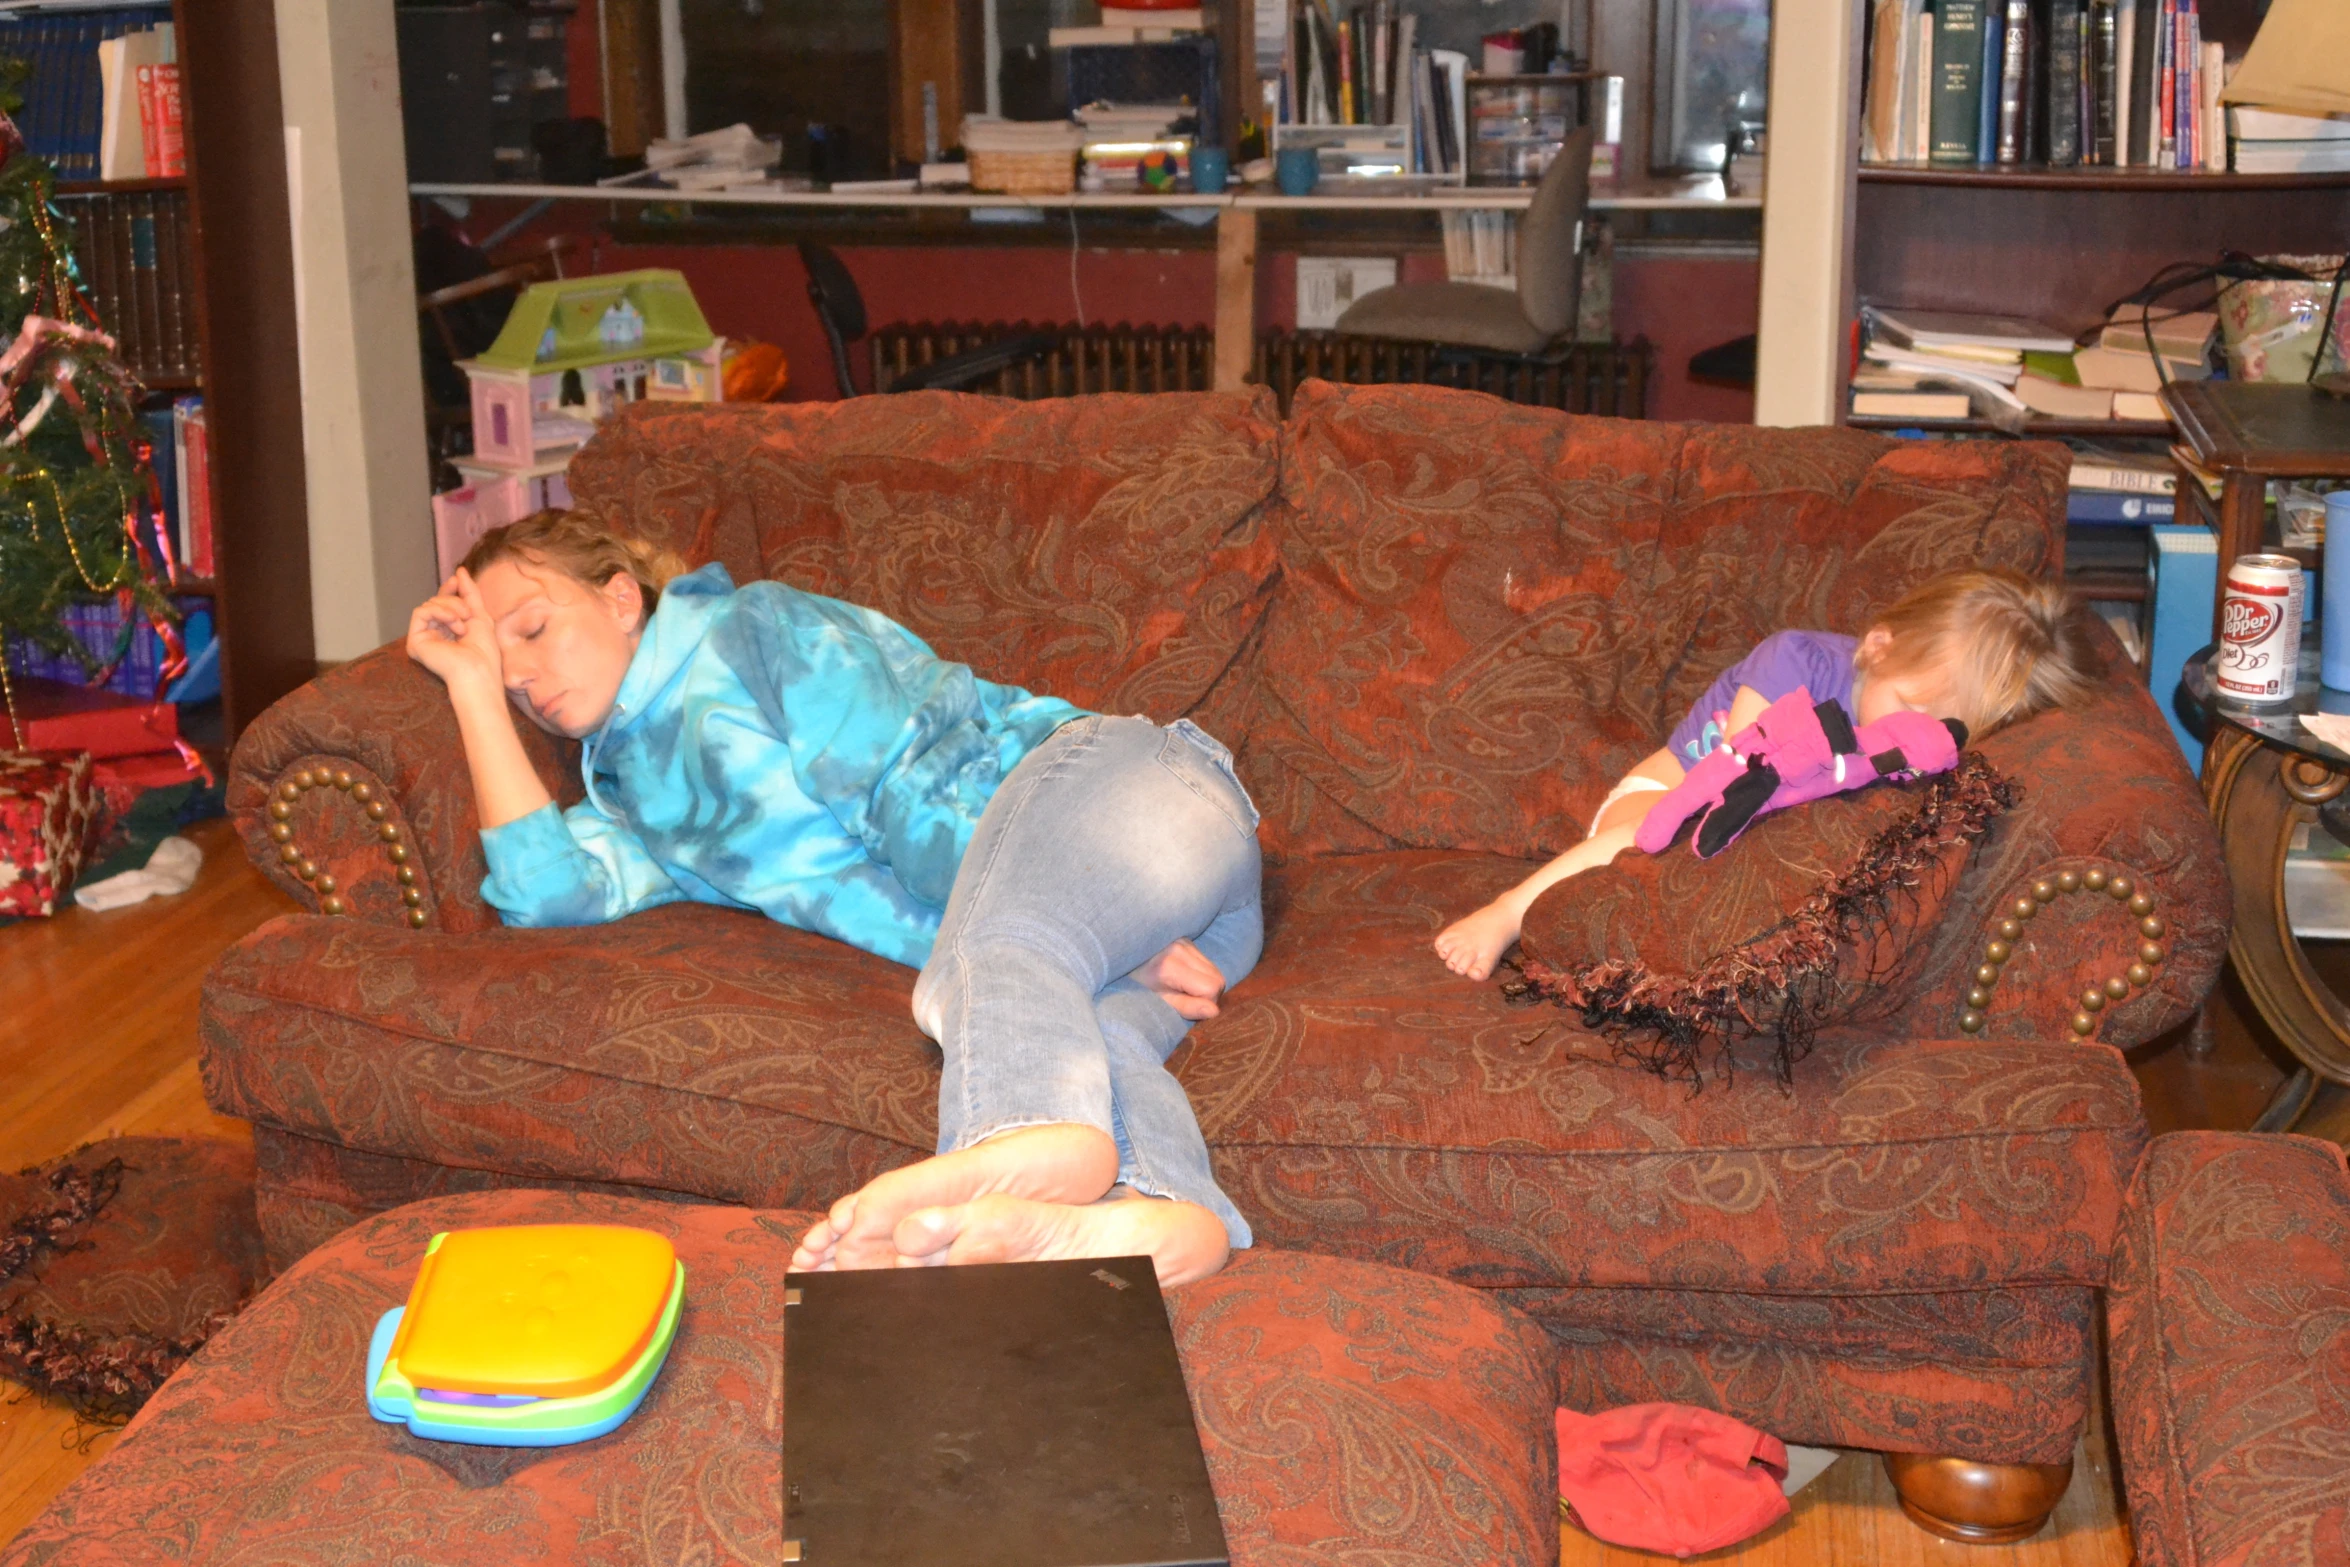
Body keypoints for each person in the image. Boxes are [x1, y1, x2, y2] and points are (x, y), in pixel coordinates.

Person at [405, 511, 1262, 1287]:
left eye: (534, 628)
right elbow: (548, 892)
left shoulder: (756, 630)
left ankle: (1019, 1135)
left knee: (980, 968)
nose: (526, 674)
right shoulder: (638, 798)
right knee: (1093, 1023)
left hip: (1142, 793)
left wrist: (1099, 917)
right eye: (511, 677)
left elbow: (911, 787)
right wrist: (471, 688)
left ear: (622, 598)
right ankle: (1157, 1212)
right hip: (1199, 937)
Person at [1434, 568, 2100, 982]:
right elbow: (1734, 774)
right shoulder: (1797, 660)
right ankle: (1509, 911)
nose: (1909, 731)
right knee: (1638, 841)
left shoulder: (1900, 745)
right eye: (1908, 708)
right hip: (1672, 801)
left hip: (1745, 854)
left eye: (1940, 726)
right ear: (1877, 646)